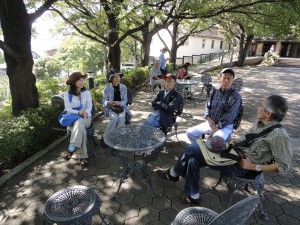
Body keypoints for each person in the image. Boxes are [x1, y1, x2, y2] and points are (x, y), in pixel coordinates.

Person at [156, 95, 292, 205]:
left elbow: (283, 167)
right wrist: (236, 142)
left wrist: (254, 166)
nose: (258, 108)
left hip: (242, 167)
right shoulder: (260, 123)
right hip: (234, 153)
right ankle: (192, 196)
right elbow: (251, 140)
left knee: (192, 148)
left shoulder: (279, 135)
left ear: (268, 113)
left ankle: (173, 174)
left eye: (261, 106)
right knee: (192, 159)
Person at [186, 68, 242, 144]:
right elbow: (208, 105)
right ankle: (201, 150)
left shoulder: (235, 96)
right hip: (211, 122)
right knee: (190, 133)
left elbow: (230, 116)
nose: (226, 80)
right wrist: (208, 118)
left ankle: (207, 152)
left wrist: (216, 128)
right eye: (224, 77)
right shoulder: (215, 91)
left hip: (225, 125)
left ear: (232, 80)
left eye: (229, 78)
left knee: (215, 141)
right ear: (219, 78)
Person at [64, 72, 93, 166]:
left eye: (82, 79)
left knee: (80, 122)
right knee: (82, 130)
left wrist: (86, 112)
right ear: (73, 82)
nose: (82, 82)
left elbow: (89, 107)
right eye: (79, 80)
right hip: (73, 119)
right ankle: (83, 157)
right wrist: (78, 112)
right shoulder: (67, 94)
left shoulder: (86, 93)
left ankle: (71, 148)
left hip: (86, 118)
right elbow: (68, 109)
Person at [102, 69, 132, 135]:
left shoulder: (123, 87)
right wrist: (108, 102)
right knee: (114, 118)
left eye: (118, 76)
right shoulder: (107, 88)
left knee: (121, 118)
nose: (117, 78)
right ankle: (106, 137)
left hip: (121, 108)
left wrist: (119, 103)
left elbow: (125, 100)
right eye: (115, 77)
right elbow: (104, 101)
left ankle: (119, 136)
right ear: (111, 78)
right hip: (111, 108)